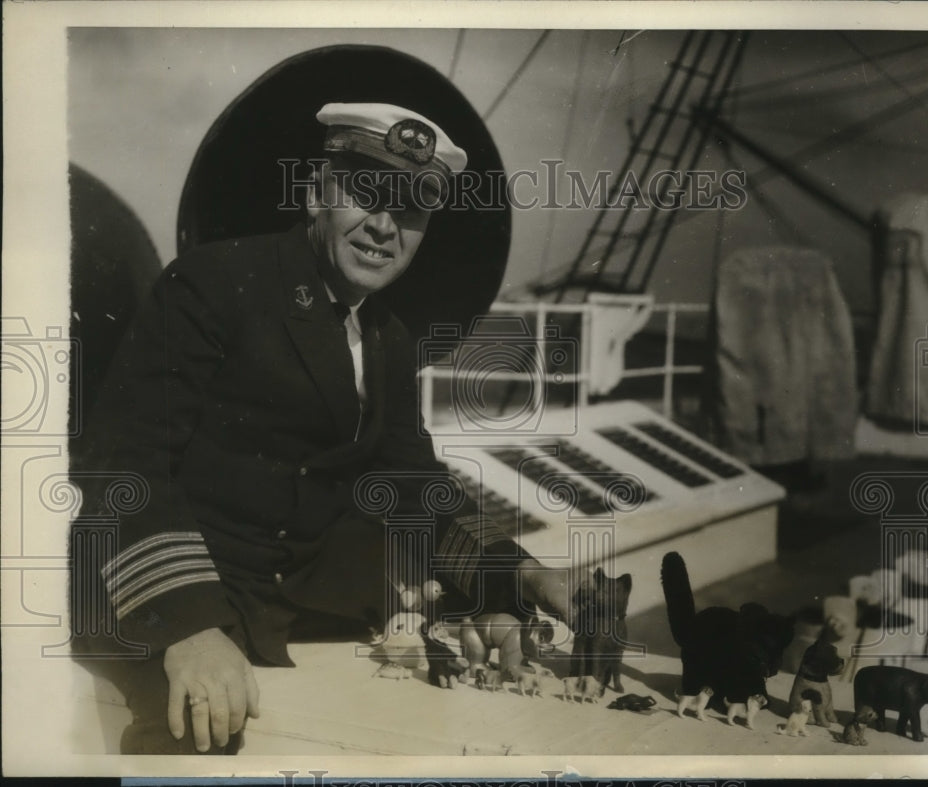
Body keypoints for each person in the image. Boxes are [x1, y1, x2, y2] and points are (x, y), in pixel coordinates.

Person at [71, 102, 571, 755]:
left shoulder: (388, 336)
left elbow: (413, 487)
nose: (385, 226)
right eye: (368, 192)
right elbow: (125, 462)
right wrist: (186, 628)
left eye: (413, 208)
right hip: (160, 587)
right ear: (315, 192)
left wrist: (523, 575)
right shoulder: (213, 284)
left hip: (277, 602)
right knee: (201, 731)